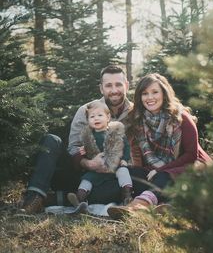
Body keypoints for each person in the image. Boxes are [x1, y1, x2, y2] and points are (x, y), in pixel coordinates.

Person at [20, 65, 133, 213]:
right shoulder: (86, 110)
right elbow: (73, 147)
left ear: (127, 85)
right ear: (101, 88)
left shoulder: (135, 113)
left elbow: (137, 150)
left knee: (126, 185)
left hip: (113, 177)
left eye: (118, 84)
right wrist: (89, 163)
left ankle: (59, 199)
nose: (114, 90)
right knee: (51, 140)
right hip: (80, 174)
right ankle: (34, 198)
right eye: (108, 85)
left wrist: (120, 164)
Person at [108, 73, 213, 219]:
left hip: (190, 168)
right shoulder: (138, 120)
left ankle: (137, 206)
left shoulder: (180, 117)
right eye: (145, 93)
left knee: (164, 176)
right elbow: (138, 157)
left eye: (155, 92)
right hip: (156, 171)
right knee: (130, 174)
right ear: (140, 97)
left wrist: (160, 170)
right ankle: (167, 205)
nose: (150, 97)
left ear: (164, 93)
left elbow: (191, 155)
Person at [67, 100, 133, 211]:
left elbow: (126, 146)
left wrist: (125, 159)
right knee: (87, 180)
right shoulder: (88, 137)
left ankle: (127, 195)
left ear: (108, 117)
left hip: (115, 165)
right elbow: (88, 152)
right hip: (97, 169)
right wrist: (83, 151)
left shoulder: (115, 133)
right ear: (88, 120)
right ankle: (79, 199)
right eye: (92, 117)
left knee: (123, 172)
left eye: (100, 115)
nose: (96, 118)